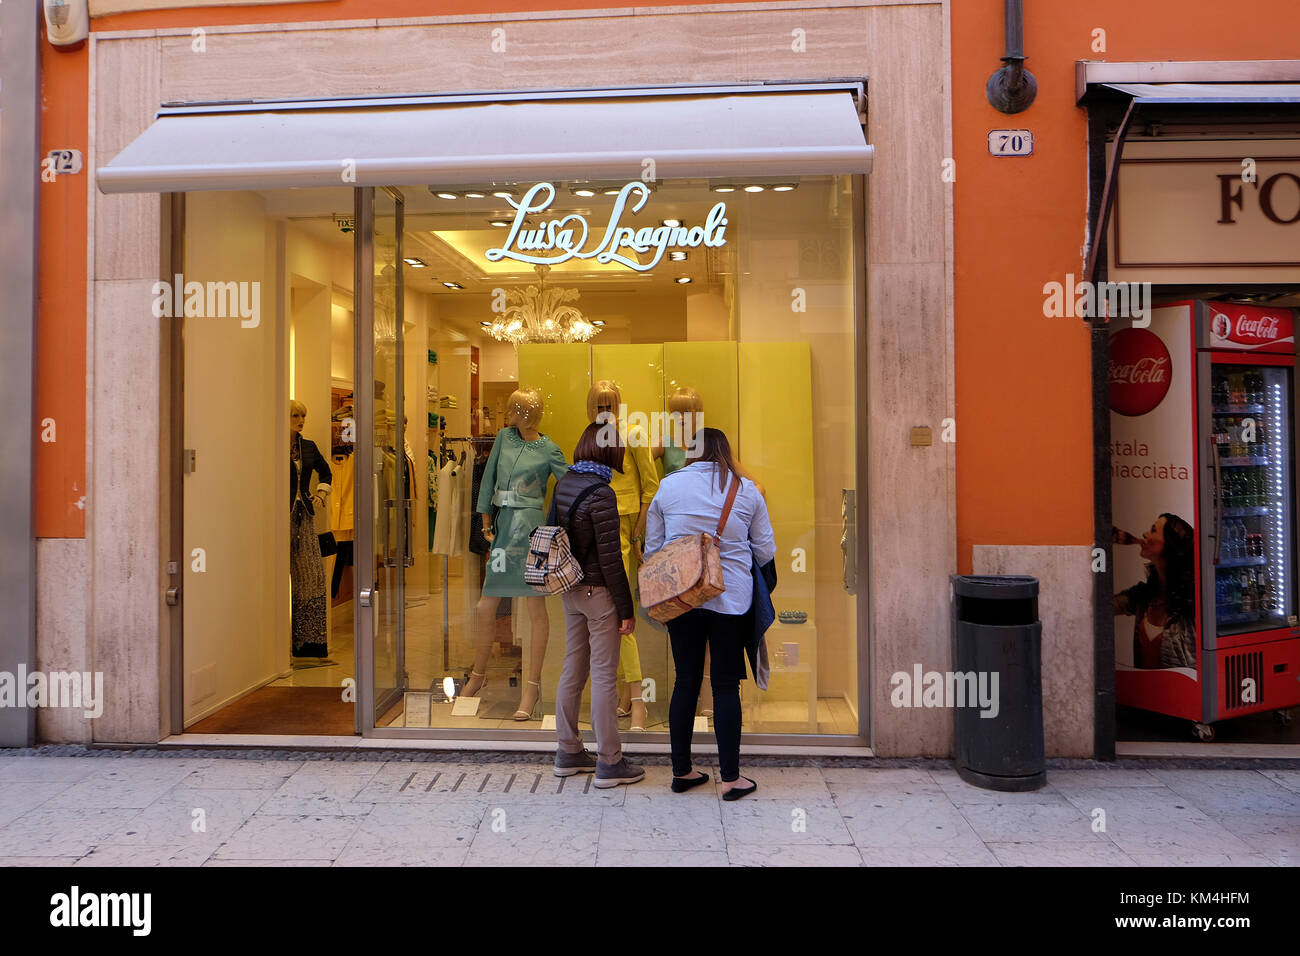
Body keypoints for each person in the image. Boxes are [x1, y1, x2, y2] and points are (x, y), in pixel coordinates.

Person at [644, 427, 776, 799]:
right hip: (731, 599)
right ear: (725, 452)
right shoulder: (746, 490)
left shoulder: (669, 486)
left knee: (685, 680)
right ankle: (732, 779)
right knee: (725, 684)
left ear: (691, 451)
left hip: (682, 599)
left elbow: (654, 548)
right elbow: (765, 550)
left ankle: (682, 772)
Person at [551, 422, 644, 788]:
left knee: (572, 669)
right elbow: (610, 560)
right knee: (605, 675)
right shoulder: (602, 493)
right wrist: (626, 608)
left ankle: (568, 751)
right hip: (598, 593)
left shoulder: (564, 483)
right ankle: (610, 760)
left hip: (569, 590)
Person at [1113, 513, 1196, 669]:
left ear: (1170, 546)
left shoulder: (1192, 602)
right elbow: (1100, 608)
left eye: (1152, 530)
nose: (1144, 534)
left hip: (1182, 690)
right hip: (1146, 692)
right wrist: (1103, 539)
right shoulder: (1144, 595)